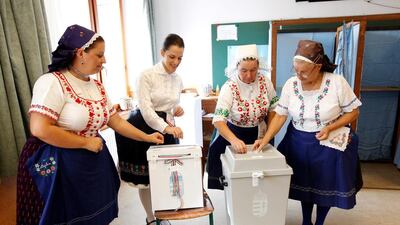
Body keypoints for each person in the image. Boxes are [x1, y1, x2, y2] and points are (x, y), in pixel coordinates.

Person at [16, 24, 164, 225]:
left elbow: (116, 122)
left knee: (94, 215)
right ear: (80, 53)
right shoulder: (52, 82)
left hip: (91, 163)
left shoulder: (96, 87)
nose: (104, 60)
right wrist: (85, 143)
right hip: (60, 161)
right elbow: (40, 128)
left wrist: (146, 137)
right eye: (99, 55)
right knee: (64, 215)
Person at [254, 40, 363, 225]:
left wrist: (330, 127)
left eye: (303, 71)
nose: (299, 75)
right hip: (299, 141)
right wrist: (265, 139)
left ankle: (319, 221)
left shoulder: (336, 82)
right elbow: (280, 115)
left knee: (324, 184)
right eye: (296, 70)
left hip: (328, 141)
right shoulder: (291, 84)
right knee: (304, 184)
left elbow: (354, 111)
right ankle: (306, 221)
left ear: (318, 67)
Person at [115, 33, 185, 225]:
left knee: (164, 176)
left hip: (166, 128)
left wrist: (175, 110)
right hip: (143, 128)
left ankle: (163, 215)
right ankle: (151, 218)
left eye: (179, 58)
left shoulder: (177, 79)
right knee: (146, 180)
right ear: (162, 52)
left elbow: (169, 107)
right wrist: (166, 128)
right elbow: (146, 110)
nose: (175, 62)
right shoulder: (146, 75)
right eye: (171, 57)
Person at [206, 44, 279, 190]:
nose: (249, 75)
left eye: (253, 70)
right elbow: (218, 121)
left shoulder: (265, 82)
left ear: (259, 67)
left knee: (258, 178)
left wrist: (268, 136)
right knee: (234, 180)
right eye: (244, 70)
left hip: (260, 133)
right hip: (233, 132)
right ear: (236, 67)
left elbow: (274, 109)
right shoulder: (230, 87)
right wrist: (233, 140)